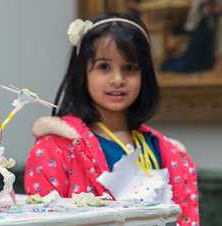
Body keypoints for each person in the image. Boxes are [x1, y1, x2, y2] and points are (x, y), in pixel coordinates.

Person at [24, 13, 199, 226]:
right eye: (104, 67)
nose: (118, 79)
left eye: (130, 68)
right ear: (82, 73)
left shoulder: (167, 151)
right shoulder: (56, 147)